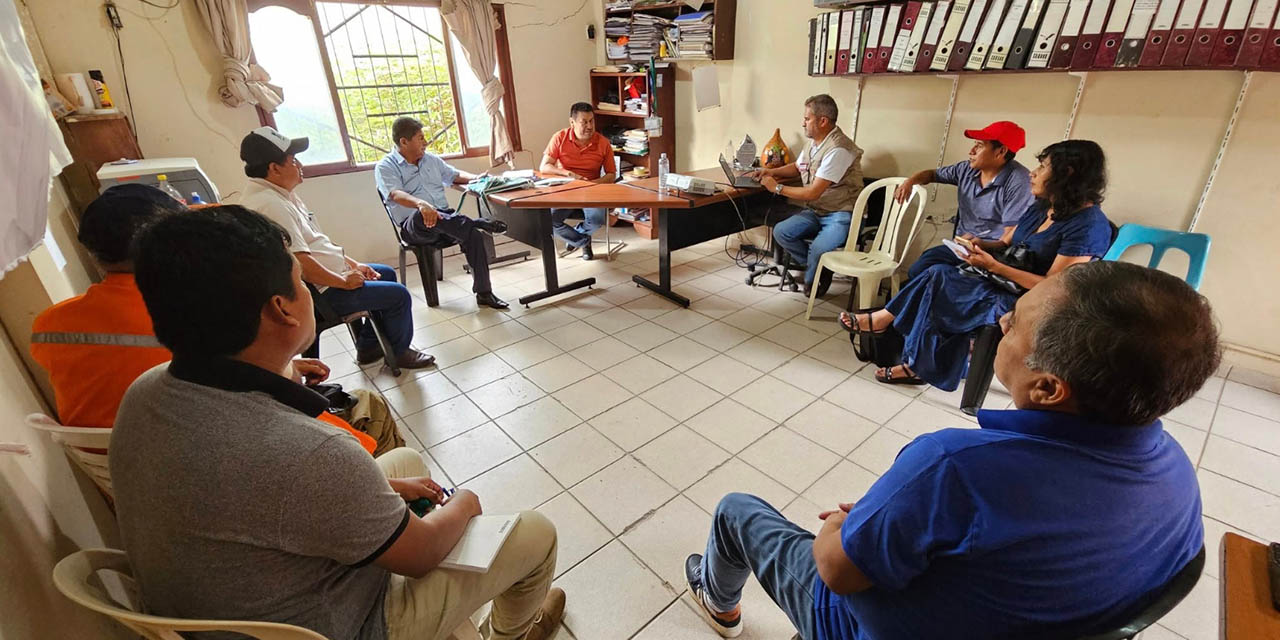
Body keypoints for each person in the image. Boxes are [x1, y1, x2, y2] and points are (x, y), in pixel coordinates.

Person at [685, 259, 1218, 640]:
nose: (1000, 323)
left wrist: (838, 531)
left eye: (1014, 325)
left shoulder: (952, 467)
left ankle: (720, 605)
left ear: (1048, 387)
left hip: (862, 622)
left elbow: (836, 571)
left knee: (737, 510)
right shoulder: (1175, 471)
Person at [113, 205, 564, 640]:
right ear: (281, 309)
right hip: (335, 624)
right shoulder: (310, 453)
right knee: (533, 533)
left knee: (404, 463)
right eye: (301, 283)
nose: (309, 293)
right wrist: (464, 502)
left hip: (234, 606)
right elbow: (422, 554)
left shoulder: (146, 391)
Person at [30, 184, 402, 456]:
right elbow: (257, 394)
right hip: (225, 454)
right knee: (368, 413)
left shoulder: (48, 324)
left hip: (127, 470)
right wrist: (285, 368)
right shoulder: (194, 316)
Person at [838, 139, 1115, 389]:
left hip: (1030, 299)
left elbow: (1055, 287)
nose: (1033, 172)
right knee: (935, 274)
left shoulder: (1089, 225)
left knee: (938, 282)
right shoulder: (1044, 206)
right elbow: (1010, 242)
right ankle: (909, 354)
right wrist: (982, 246)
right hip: (1004, 280)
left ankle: (887, 325)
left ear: (1067, 174)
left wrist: (995, 267)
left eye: (1042, 167)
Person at [240, 126, 436, 370]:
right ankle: (399, 353)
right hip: (321, 293)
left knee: (384, 272)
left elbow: (318, 243)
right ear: (274, 168)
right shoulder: (270, 205)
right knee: (399, 295)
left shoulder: (280, 194)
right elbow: (301, 265)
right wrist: (343, 281)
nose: (299, 165)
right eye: (292, 160)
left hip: (328, 278)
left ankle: (367, 346)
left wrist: (354, 266)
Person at [375, 116, 510, 309]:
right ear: (404, 142)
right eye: (420, 138)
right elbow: (395, 194)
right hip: (414, 225)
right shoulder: (386, 166)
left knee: (473, 236)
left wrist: (477, 178)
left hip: (446, 219)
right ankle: (475, 222)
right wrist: (421, 203)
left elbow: (455, 176)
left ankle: (484, 293)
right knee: (422, 215)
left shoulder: (431, 160)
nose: (425, 142)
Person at [753, 94, 865, 297]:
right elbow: (798, 168)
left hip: (841, 213)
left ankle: (814, 280)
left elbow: (813, 192)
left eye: (807, 119)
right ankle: (821, 268)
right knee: (782, 232)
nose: (802, 123)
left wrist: (776, 188)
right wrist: (771, 172)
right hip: (817, 211)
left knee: (819, 248)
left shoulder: (839, 149)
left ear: (822, 121)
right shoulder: (814, 143)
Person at [898, 121, 1036, 280]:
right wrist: (910, 182)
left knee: (939, 276)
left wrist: (981, 245)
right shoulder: (966, 169)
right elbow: (932, 174)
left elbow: (1008, 238)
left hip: (992, 255)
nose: (971, 151)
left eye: (979, 146)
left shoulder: (1019, 182)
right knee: (918, 270)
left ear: (1001, 151)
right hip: (961, 247)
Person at [539, 102, 618, 260]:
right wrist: (568, 173)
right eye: (584, 122)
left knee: (597, 220)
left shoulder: (603, 143)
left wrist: (592, 184)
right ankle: (582, 241)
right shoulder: (560, 138)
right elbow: (544, 166)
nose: (589, 126)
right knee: (547, 220)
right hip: (566, 191)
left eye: (592, 121)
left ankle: (577, 237)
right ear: (572, 122)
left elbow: (611, 174)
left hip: (591, 190)